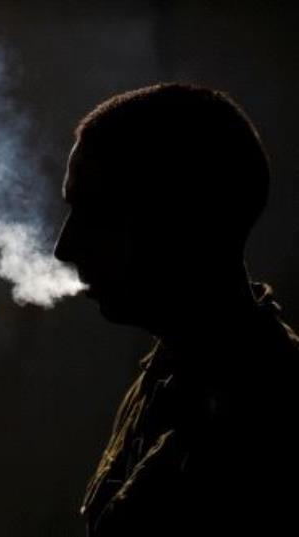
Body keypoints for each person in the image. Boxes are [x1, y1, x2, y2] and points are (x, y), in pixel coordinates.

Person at [54, 83, 299, 536]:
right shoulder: (167, 375)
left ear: (179, 222)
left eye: (97, 213)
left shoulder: (267, 419)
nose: (64, 248)